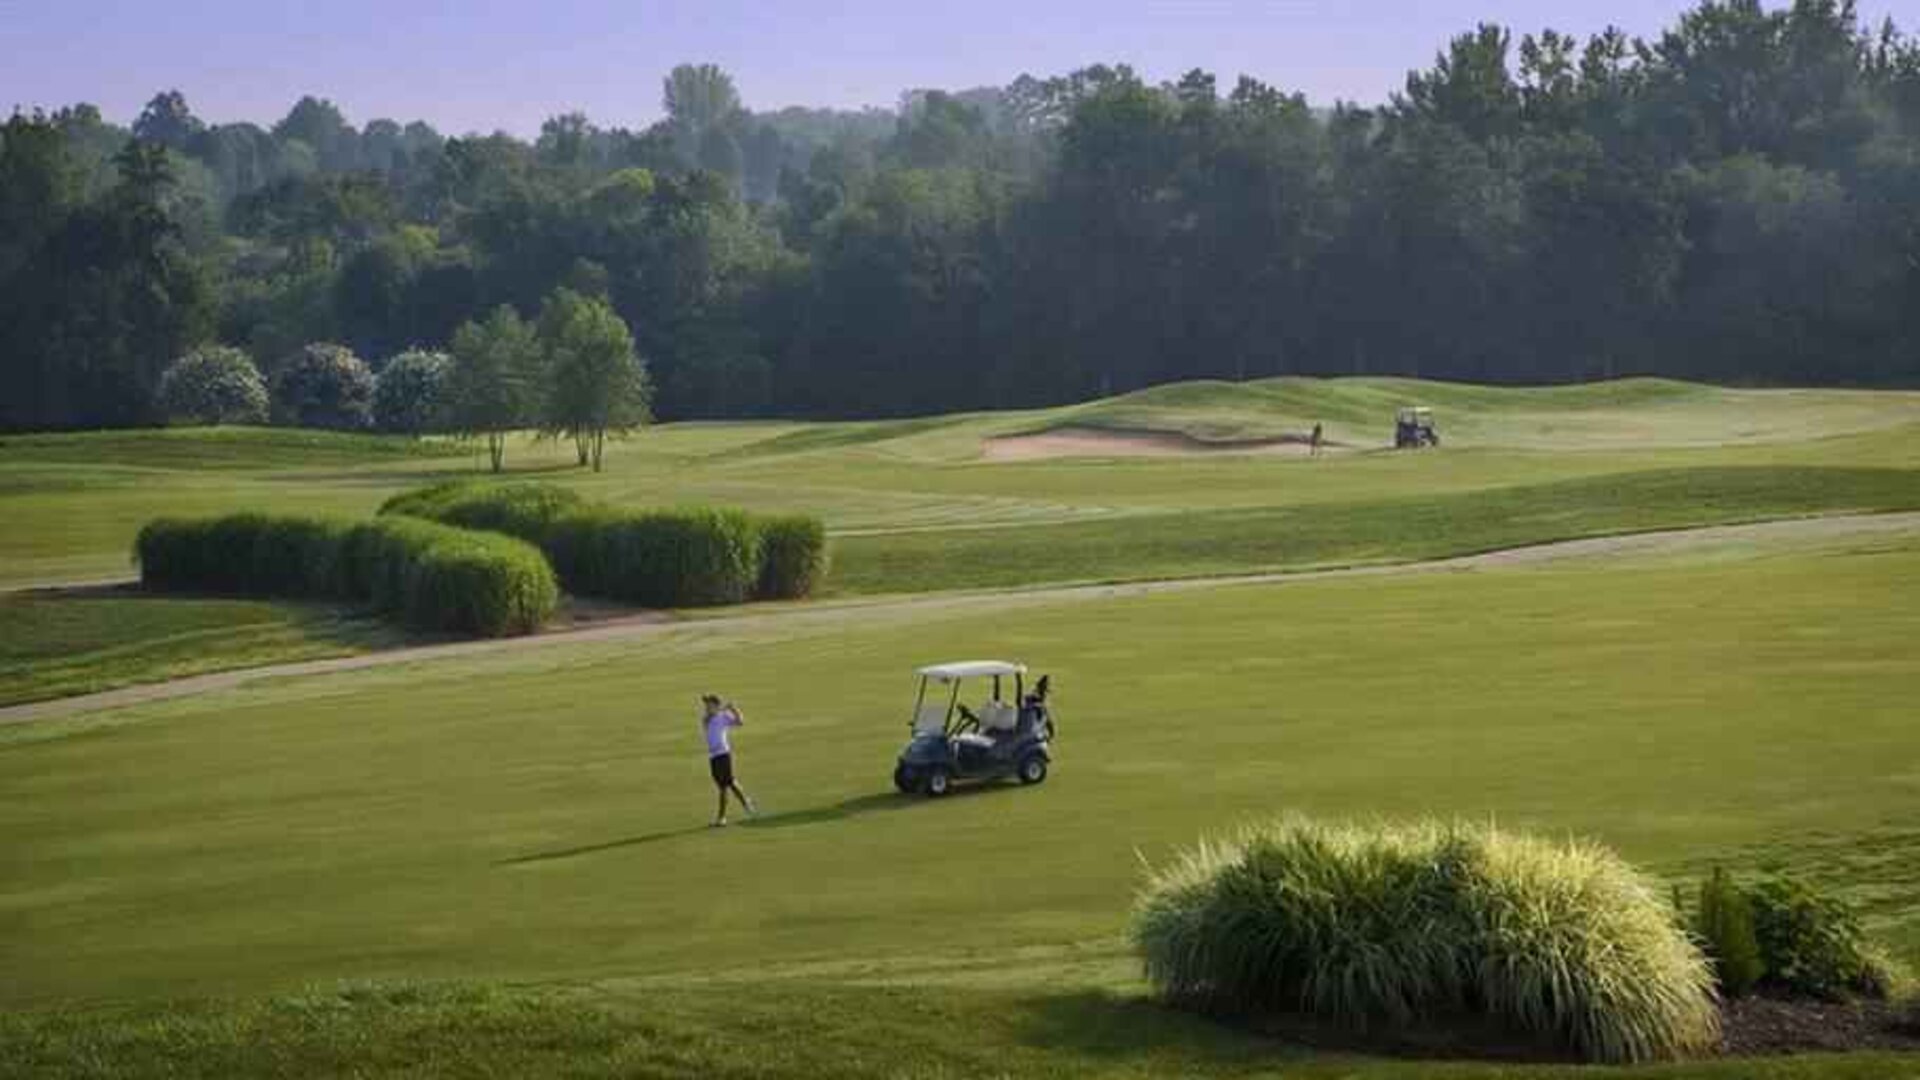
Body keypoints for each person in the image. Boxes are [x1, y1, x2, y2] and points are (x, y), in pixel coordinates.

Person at [700, 693, 757, 826]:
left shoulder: (723, 716)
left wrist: (734, 709)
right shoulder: (706, 718)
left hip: (723, 754)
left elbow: (740, 722)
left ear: (715, 704)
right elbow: (707, 719)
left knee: (724, 786)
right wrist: (719, 710)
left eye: (708, 703)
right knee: (729, 783)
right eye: (706, 704)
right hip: (713, 757)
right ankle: (746, 803)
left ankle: (722, 818)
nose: (706, 706)